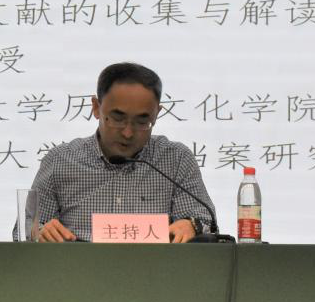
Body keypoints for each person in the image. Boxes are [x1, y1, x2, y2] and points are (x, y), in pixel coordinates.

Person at [28, 62, 215, 243]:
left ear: (157, 114)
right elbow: (27, 229)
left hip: (156, 264)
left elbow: (205, 221)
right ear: (96, 107)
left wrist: (192, 225)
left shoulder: (176, 159)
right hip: (77, 264)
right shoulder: (59, 160)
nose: (128, 133)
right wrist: (41, 232)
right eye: (117, 119)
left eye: (142, 122)